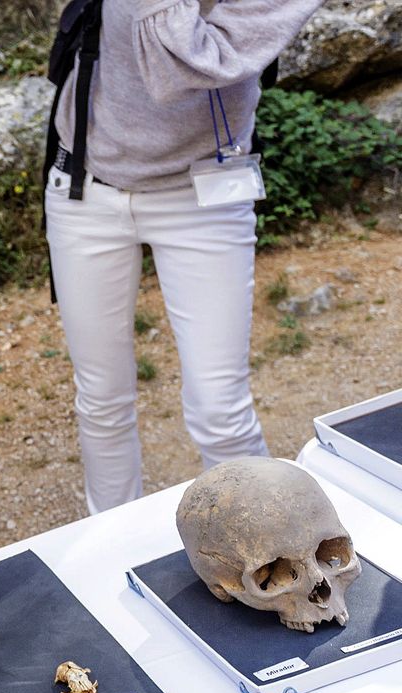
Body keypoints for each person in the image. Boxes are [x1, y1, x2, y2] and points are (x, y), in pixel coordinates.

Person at [45, 0, 324, 513]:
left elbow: (178, 65)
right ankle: (114, 539)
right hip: (86, 186)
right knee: (101, 402)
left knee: (221, 413)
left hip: (202, 196)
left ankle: (264, 541)